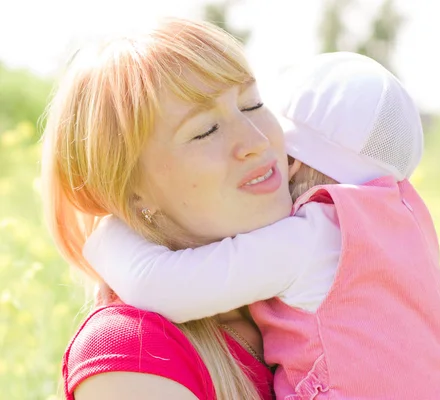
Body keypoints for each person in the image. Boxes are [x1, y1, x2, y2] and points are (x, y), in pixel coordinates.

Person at [84, 52, 440, 399]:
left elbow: (162, 287)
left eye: (253, 106)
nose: (256, 148)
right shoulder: (406, 224)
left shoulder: (312, 236)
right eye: (205, 130)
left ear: (293, 161)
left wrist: (104, 232)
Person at [41, 17, 290, 399]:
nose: (256, 140)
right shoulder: (131, 352)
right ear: (132, 189)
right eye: (205, 130)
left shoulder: (307, 278)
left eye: (252, 103)